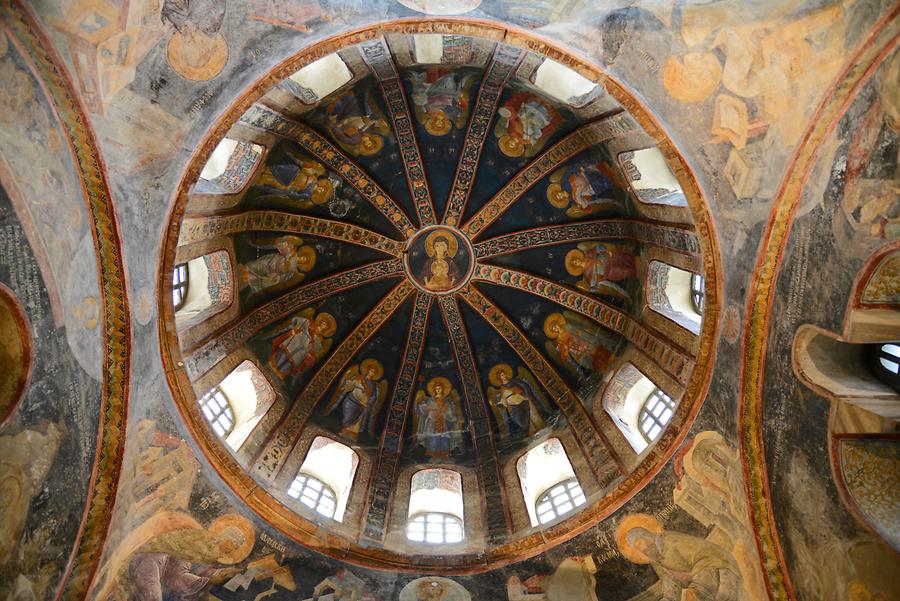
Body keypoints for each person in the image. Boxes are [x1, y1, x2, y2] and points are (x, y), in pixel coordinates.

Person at [414, 378, 460, 458]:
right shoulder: (430, 400)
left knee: (444, 440)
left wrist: (448, 413)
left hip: (443, 423)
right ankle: (432, 457)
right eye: (436, 388)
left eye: (440, 388)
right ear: (434, 389)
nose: (438, 390)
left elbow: (450, 413)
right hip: (432, 423)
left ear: (443, 389)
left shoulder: (447, 401)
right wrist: (420, 406)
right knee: (433, 440)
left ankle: (445, 457)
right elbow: (423, 410)